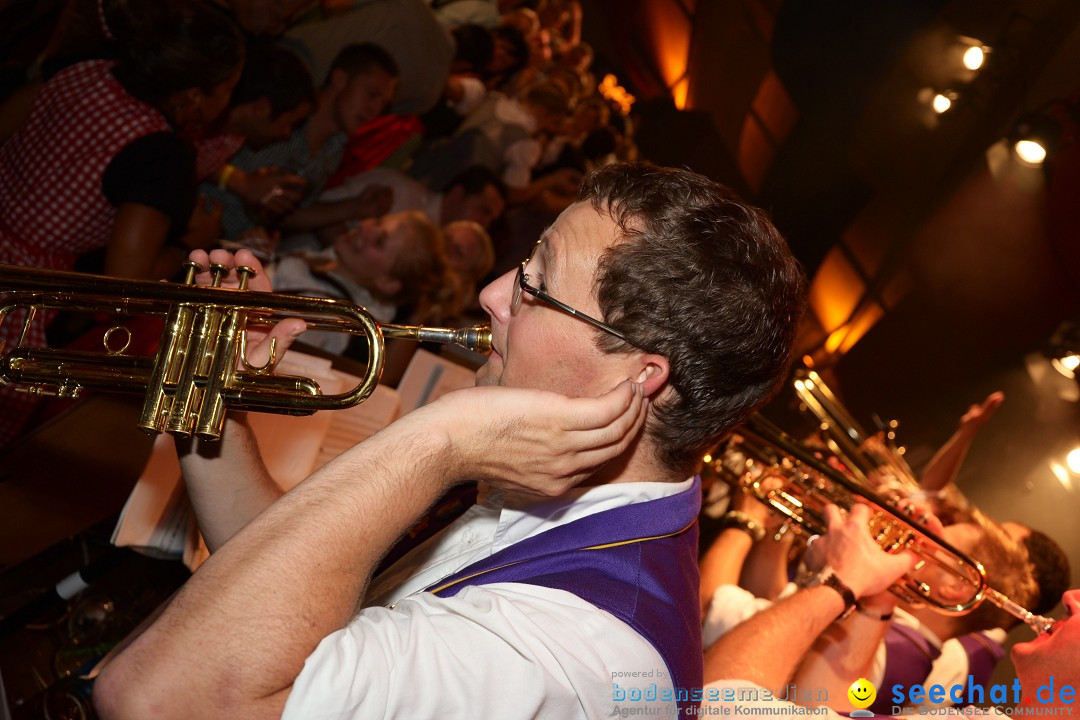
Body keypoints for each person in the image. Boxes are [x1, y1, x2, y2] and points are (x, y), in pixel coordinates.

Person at [92, 162, 806, 720]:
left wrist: (440, 437)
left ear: (637, 376)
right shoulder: (561, 473)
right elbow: (277, 600)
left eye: (538, 285)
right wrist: (213, 399)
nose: (494, 293)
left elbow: (158, 697)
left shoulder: (575, 656)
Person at [0, 0, 244, 448]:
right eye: (228, 89)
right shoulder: (159, 153)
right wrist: (192, 243)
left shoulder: (89, 71)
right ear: (193, 95)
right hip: (12, 296)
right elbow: (122, 286)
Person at [700, 506, 1079, 717]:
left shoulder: (902, 656)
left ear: (955, 586)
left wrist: (844, 580)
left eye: (935, 545)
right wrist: (878, 599)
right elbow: (818, 707)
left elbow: (722, 701)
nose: (1073, 598)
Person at [213, 42, 399, 239]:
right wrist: (241, 182)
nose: (375, 111)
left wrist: (355, 207)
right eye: (372, 95)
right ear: (340, 79)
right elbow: (197, 141)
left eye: (383, 105)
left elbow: (290, 215)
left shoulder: (334, 151)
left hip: (223, 244)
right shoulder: (286, 104)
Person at [270, 210, 447, 354]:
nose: (365, 227)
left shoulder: (330, 319)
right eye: (378, 221)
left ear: (387, 282)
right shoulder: (331, 264)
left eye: (379, 242)